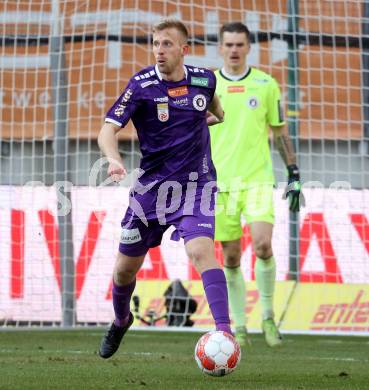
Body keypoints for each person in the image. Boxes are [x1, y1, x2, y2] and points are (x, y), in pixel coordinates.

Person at [97, 19, 231, 359]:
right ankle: (121, 318)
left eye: (167, 44)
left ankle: (225, 335)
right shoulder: (141, 85)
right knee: (124, 270)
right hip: (151, 192)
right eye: (156, 43)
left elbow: (218, 113)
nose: (159, 49)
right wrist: (113, 159)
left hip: (196, 187)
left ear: (184, 49)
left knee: (201, 251)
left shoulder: (204, 80)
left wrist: (203, 122)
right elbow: (107, 131)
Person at [210, 22, 303, 347]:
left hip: (258, 180)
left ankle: (267, 317)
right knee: (231, 256)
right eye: (229, 44)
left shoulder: (267, 84)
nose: (234, 49)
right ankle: (239, 326)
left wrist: (293, 173)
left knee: (263, 245)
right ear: (220, 48)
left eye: (240, 44)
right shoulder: (208, 85)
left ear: (249, 47)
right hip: (220, 184)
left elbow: (280, 132)